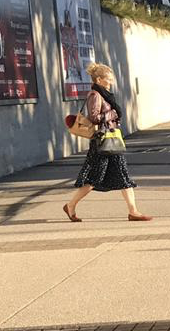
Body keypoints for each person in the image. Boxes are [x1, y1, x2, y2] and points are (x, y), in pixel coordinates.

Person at [61, 64, 151, 223]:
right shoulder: (95, 95)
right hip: (101, 143)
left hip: (112, 140)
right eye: (108, 79)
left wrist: (112, 115)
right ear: (98, 79)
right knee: (93, 178)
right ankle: (71, 205)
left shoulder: (105, 95)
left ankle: (133, 211)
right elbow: (94, 117)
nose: (111, 82)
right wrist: (112, 113)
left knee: (123, 175)